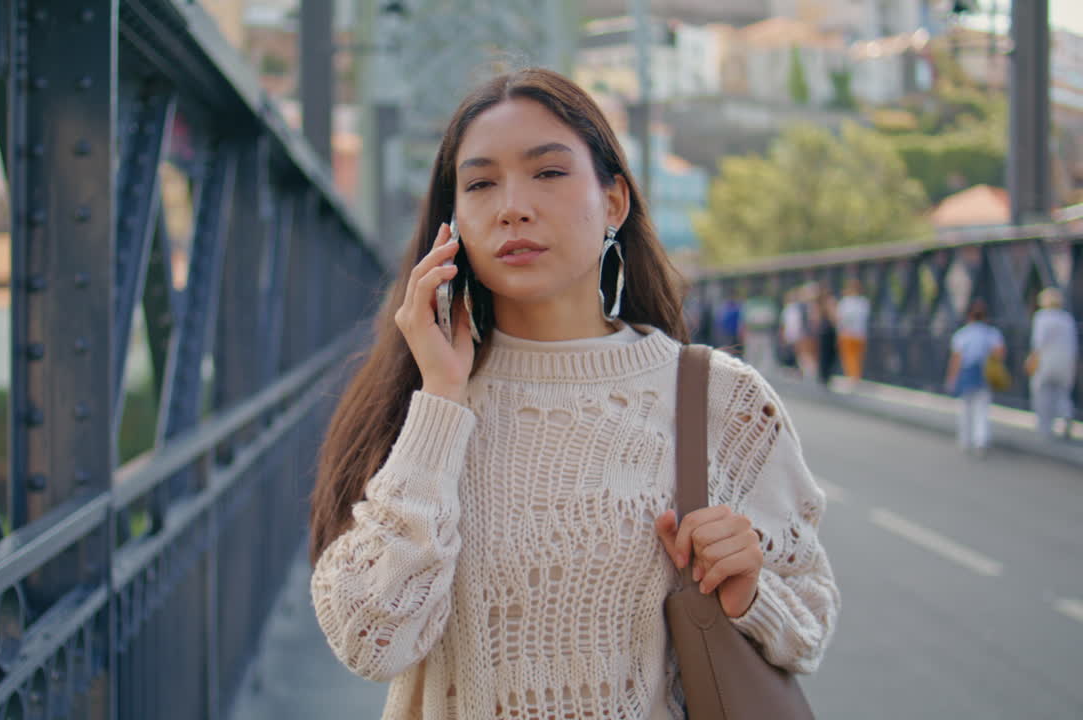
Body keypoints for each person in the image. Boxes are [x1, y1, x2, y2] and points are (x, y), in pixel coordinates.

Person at [307, 68, 838, 720]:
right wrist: (442, 398)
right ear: (453, 224)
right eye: (480, 184)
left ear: (614, 202)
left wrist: (750, 588)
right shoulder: (422, 403)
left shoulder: (719, 400)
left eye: (549, 172)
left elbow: (810, 617)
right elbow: (368, 639)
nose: (512, 206)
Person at [944, 299, 1006, 456]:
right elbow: (1000, 353)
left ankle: (965, 441)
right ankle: (981, 441)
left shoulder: (963, 334)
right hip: (984, 373)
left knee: (965, 408)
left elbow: (956, 359)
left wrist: (951, 378)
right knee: (982, 409)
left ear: (969, 315)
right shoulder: (992, 333)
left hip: (967, 373)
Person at [1026, 287, 1078, 440]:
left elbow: (1038, 343)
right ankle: (1066, 415)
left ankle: (1045, 427)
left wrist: (1031, 359)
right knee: (1062, 393)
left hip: (1045, 361)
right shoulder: (1067, 318)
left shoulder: (1042, 317)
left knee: (1042, 393)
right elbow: (1073, 344)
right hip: (1065, 362)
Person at [835, 278, 871, 383]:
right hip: (859, 333)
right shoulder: (864, 302)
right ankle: (855, 376)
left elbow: (840, 318)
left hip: (848, 333)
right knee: (856, 356)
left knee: (849, 356)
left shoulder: (845, 302)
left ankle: (852, 376)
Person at [742, 292, 778, 373]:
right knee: (754, 353)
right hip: (754, 334)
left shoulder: (767, 304)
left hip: (764, 334)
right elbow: (745, 322)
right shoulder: (750, 304)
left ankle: (765, 371)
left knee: (764, 353)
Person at [816, 287, 839, 387]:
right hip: (828, 330)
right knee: (828, 353)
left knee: (826, 353)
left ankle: (824, 374)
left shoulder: (822, 304)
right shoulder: (828, 303)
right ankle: (825, 374)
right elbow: (834, 318)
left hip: (825, 330)